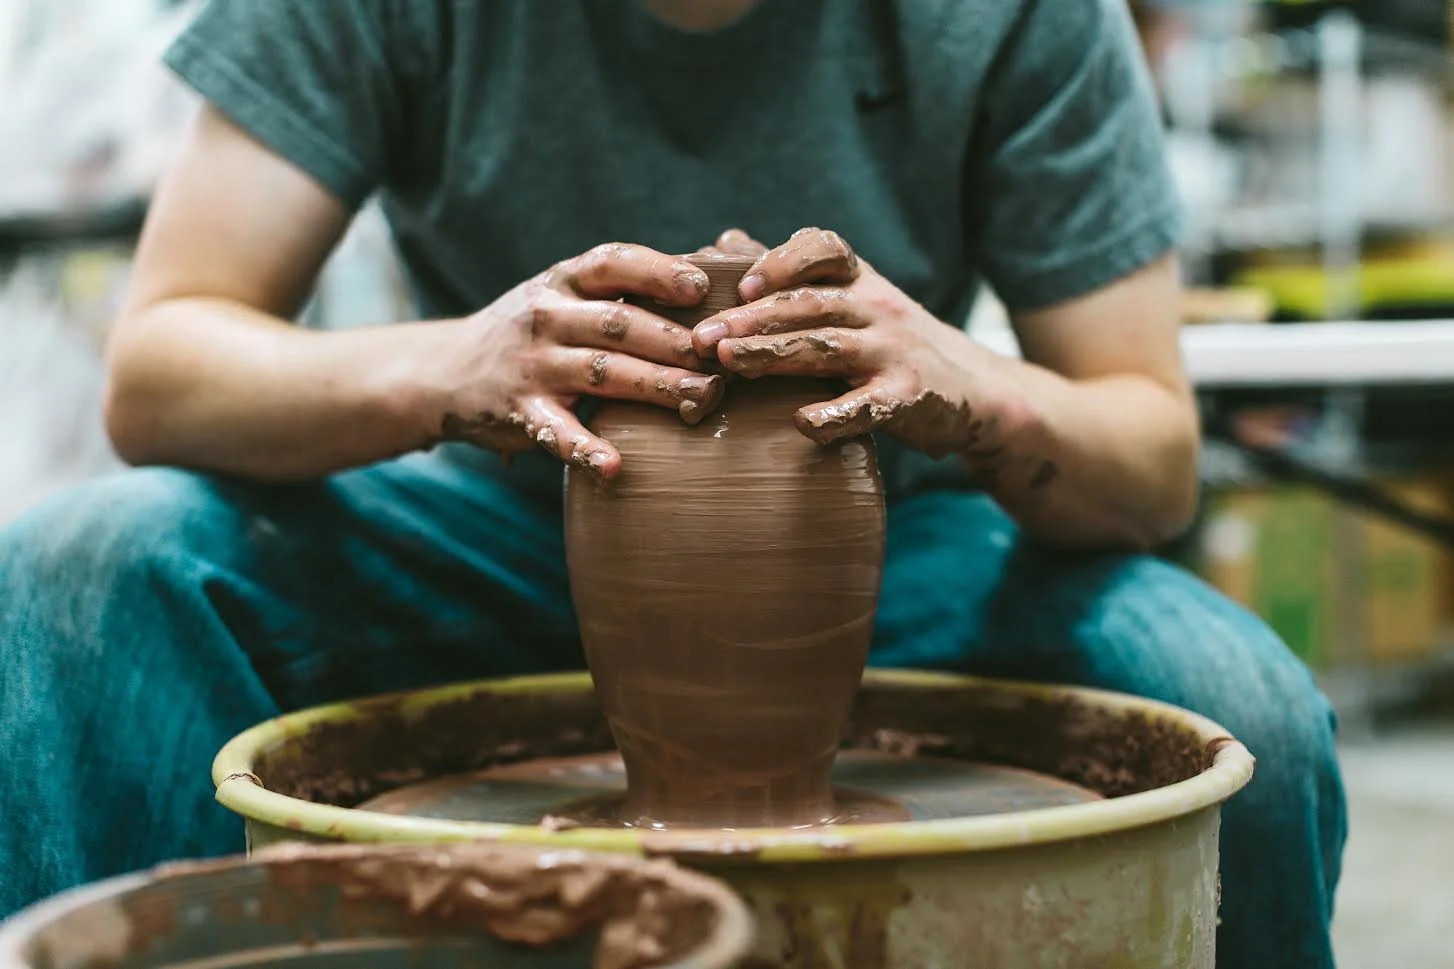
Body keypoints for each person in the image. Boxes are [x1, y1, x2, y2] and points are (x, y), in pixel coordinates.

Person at [0, 0, 1344, 964]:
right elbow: (162, 367)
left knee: (1240, 715)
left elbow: (1149, 453)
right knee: (90, 570)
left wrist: (970, 385)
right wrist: (446, 367)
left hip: (905, 545)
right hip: (495, 521)